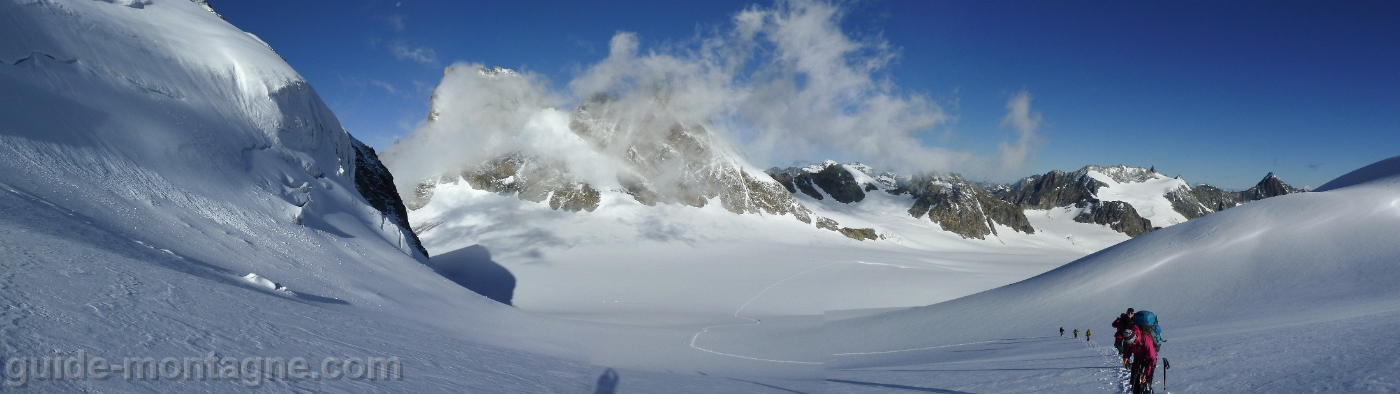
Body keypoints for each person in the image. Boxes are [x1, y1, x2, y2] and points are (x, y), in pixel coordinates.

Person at [1126, 322, 1158, 394]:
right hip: (1138, 360)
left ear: (1134, 339)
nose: (1131, 345)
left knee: (1147, 384)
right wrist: (1127, 356)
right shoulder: (1131, 340)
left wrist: (1146, 374)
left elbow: (1152, 359)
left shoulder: (1146, 340)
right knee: (1135, 384)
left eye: (1131, 343)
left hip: (1149, 361)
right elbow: (1130, 348)